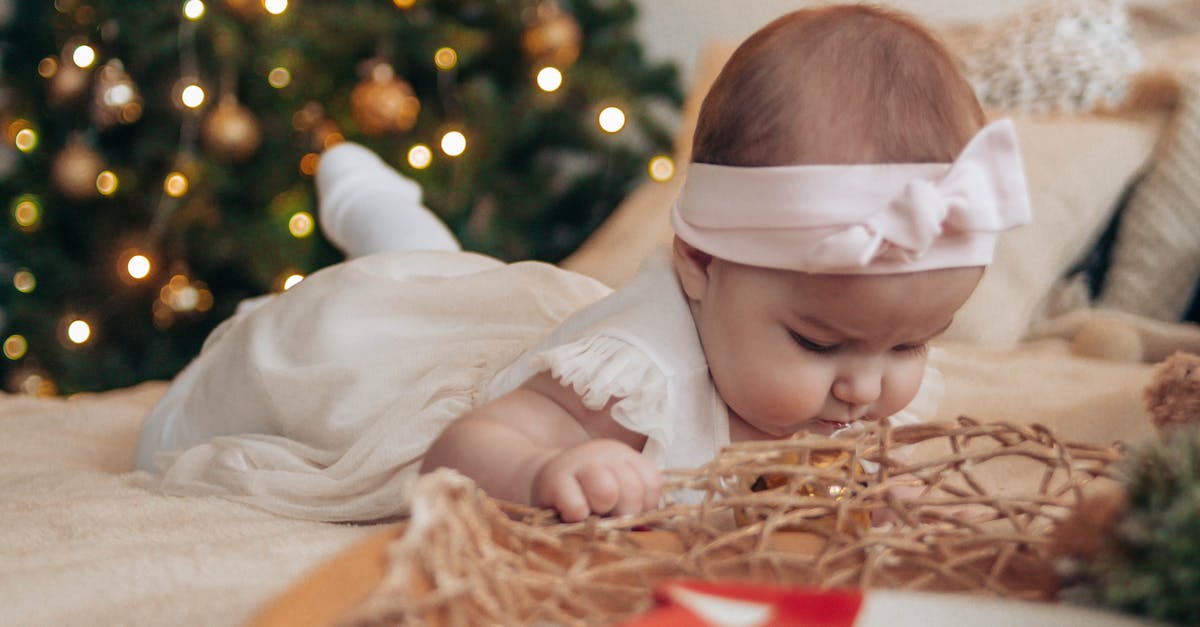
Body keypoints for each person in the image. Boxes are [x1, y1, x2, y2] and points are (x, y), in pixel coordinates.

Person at [136, 5, 1030, 524]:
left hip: (500, 308)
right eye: (820, 342)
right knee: (362, 322)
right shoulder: (629, 377)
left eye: (910, 347)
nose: (865, 388)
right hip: (398, 361)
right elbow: (459, 448)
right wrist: (535, 473)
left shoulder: (846, 353)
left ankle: (393, 221)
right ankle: (380, 227)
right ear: (698, 265)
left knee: (459, 280)